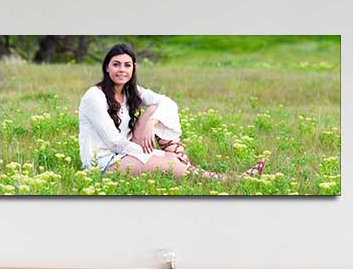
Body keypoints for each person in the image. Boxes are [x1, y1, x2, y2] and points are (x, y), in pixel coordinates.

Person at [78, 43, 267, 180]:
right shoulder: (94, 97)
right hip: (104, 162)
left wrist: (150, 123)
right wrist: (156, 154)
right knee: (166, 164)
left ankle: (183, 163)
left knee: (155, 108)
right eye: (116, 64)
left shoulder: (131, 91)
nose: (122, 70)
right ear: (107, 68)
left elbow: (168, 103)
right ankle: (227, 180)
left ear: (133, 68)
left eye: (127, 65)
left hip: (127, 152)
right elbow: (114, 142)